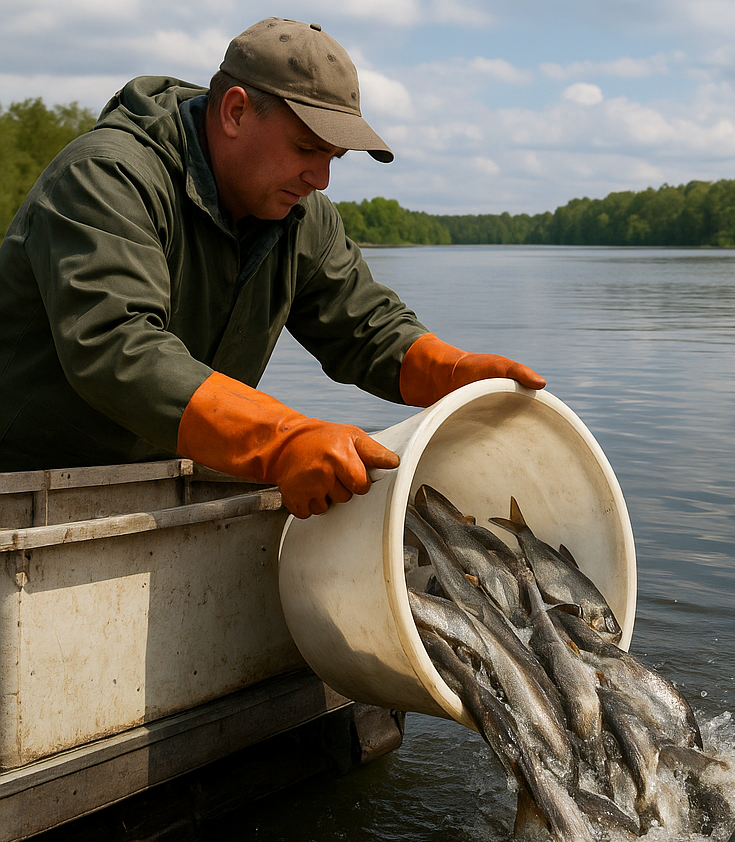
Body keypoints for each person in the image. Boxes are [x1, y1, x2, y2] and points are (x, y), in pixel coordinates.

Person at [0, 17, 545, 518]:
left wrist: (453, 373)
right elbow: (118, 348)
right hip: (25, 491)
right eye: (306, 147)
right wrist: (284, 441)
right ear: (235, 111)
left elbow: (367, 329)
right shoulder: (106, 178)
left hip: (162, 485)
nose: (321, 178)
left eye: (333, 157)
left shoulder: (299, 214)